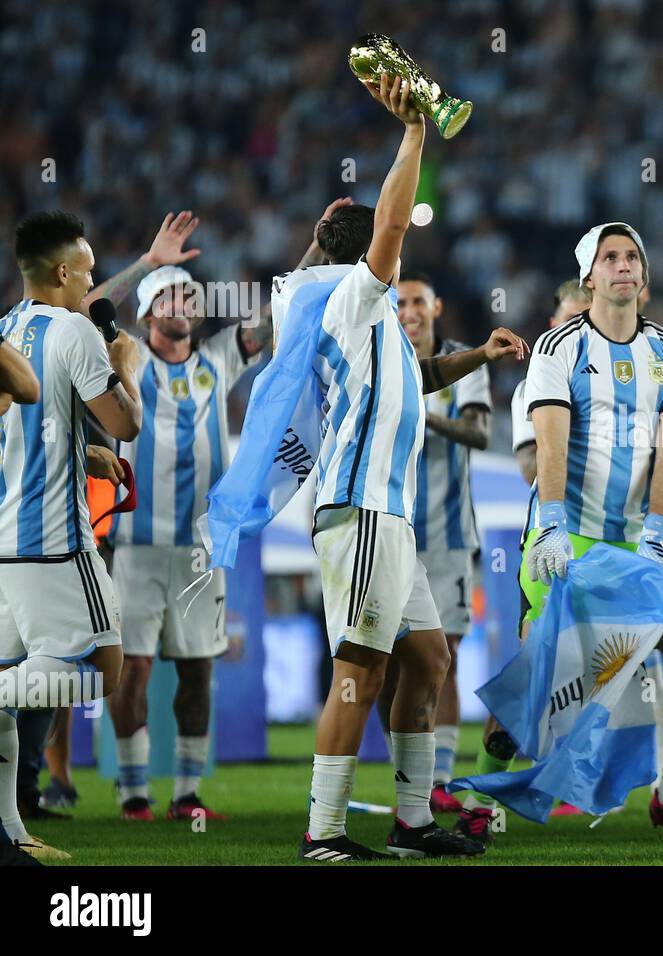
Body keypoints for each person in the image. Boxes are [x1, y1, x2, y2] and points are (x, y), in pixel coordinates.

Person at [294, 73, 525, 862]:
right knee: (360, 668)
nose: (400, 250)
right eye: (390, 243)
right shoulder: (350, 300)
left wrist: (477, 356)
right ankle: (323, 834)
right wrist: (415, 134)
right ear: (371, 253)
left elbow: (420, 381)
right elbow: (390, 220)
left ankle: (412, 823)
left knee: (430, 658)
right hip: (358, 511)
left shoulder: (382, 327)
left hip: (393, 520)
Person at [459, 221, 663, 844]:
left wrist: (659, 536)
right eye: (609, 257)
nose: (623, 265)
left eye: (632, 256)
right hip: (571, 536)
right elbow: (550, 446)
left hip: (642, 541)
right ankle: (481, 798)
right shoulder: (559, 349)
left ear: (645, 273)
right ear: (589, 277)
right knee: (539, 674)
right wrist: (554, 528)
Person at [94, 208, 297, 822]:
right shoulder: (125, 357)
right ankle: (133, 791)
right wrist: (147, 264)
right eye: (171, 293)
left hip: (203, 549)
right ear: (151, 310)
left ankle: (186, 791)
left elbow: (279, 313)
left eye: (189, 292)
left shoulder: (219, 360)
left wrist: (314, 248)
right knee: (131, 672)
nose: (184, 301)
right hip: (134, 545)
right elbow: (87, 309)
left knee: (198, 672)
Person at [0, 210, 145, 866]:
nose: (92, 286)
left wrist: (82, 455)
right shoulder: (78, 332)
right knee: (97, 669)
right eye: (87, 272)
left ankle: (9, 833)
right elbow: (127, 422)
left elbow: (23, 427)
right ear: (63, 273)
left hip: (3, 543)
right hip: (55, 540)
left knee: (13, 692)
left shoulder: (6, 331)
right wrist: (126, 365)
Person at [380, 272, 492, 814]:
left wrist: (427, 415)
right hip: (388, 532)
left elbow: (480, 432)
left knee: (443, 655)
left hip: (447, 538)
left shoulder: (460, 361)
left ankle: (440, 780)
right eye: (401, 301)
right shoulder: (380, 352)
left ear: (437, 306)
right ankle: (406, 772)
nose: (410, 310)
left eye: (419, 300)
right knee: (384, 661)